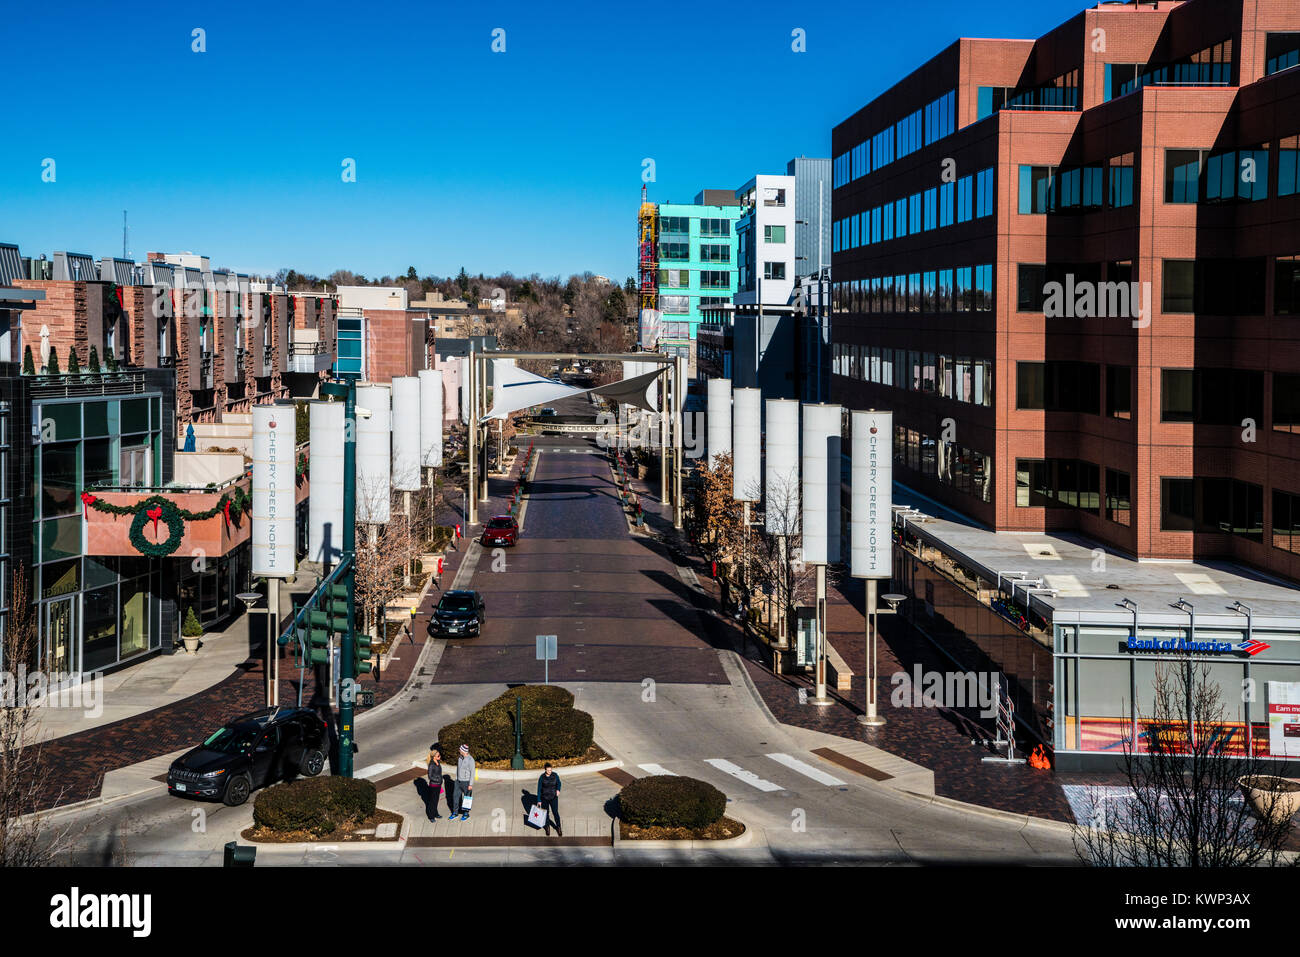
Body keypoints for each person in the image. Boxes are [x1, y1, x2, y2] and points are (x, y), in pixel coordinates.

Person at [536, 763, 562, 837]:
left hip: (553, 797)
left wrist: (558, 789)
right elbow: (539, 789)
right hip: (544, 798)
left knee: (555, 812)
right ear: (545, 770)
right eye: (548, 770)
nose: (550, 771)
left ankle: (558, 827)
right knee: (546, 813)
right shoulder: (542, 777)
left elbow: (559, 783)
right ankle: (547, 827)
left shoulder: (555, 775)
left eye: (550, 770)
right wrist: (539, 800)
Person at [453, 743, 474, 821]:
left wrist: (470, 784)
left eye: (460, 749)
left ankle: (466, 814)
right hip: (458, 781)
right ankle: (455, 812)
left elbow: (472, 772)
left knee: (467, 799)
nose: (459, 750)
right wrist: (456, 778)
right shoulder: (460, 758)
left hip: (466, 782)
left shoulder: (470, 760)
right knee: (455, 797)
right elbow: (458, 769)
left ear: (463, 751)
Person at [426, 746, 444, 820]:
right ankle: (431, 816)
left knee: (436, 800)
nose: (440, 756)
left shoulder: (438, 762)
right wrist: (438, 780)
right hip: (433, 785)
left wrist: (440, 779)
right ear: (434, 757)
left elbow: (439, 773)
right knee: (432, 801)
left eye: (439, 755)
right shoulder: (431, 765)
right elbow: (430, 776)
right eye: (438, 756)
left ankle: (435, 813)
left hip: (438, 785)